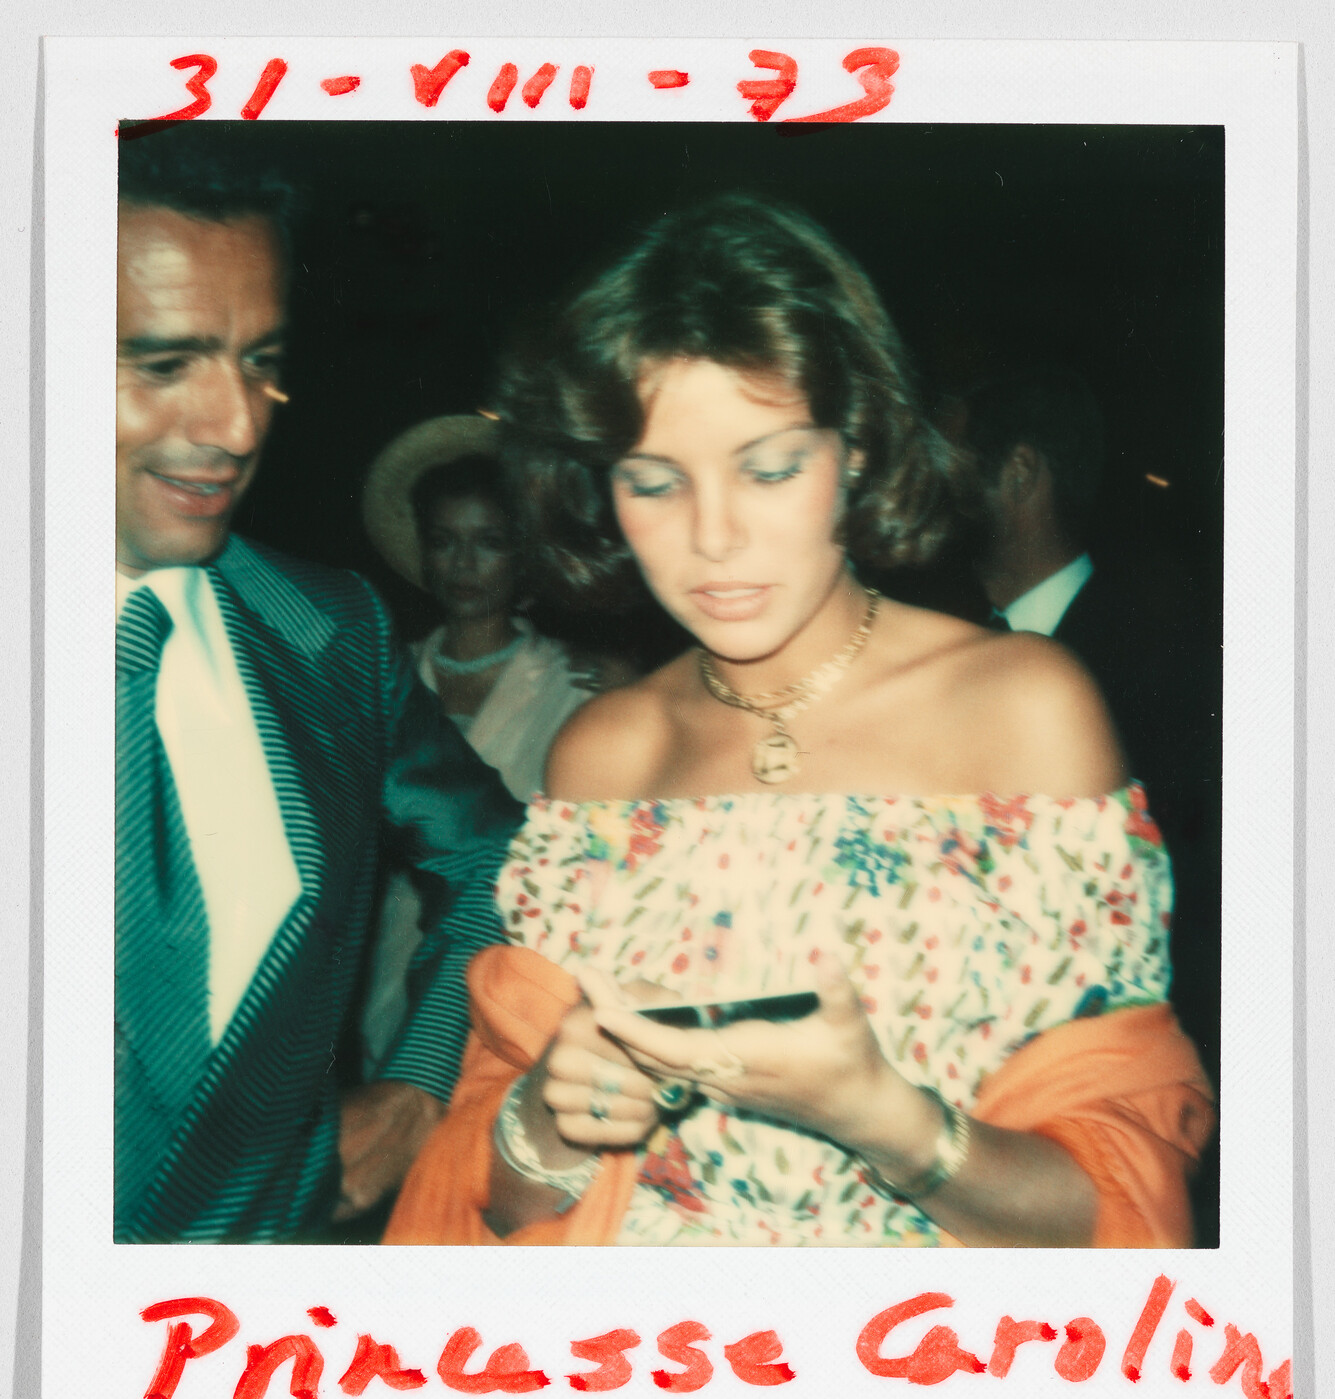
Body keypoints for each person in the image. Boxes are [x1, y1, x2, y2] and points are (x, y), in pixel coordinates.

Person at [386, 197, 1214, 1250]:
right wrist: (549, 1116)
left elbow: (1128, 1212)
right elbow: (498, 1203)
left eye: (769, 468)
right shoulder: (605, 750)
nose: (715, 537)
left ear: (857, 448)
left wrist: (891, 1122)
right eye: (654, 483)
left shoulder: (1022, 710)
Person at [114, 133, 523, 1242]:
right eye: (162, 364)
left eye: (260, 361)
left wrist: (419, 1081)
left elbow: (503, 857)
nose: (237, 427)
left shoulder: (330, 634)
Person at [962, 366, 1221, 1238]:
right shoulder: (941, 655)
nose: (911, 480)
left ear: (1018, 473)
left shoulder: (1169, 664)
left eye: (944, 454)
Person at [357, 417, 632, 1069]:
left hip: (525, 970)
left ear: (524, 555)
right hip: (387, 965)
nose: (464, 564)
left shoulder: (575, 682)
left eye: (489, 542)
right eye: (444, 541)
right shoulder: (384, 674)